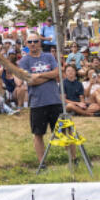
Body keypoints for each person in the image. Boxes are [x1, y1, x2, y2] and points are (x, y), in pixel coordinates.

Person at [18, 33, 62, 167]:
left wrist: (40, 75)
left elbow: (57, 73)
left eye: (35, 41)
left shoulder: (48, 56)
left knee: (66, 131)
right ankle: (42, 163)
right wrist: (48, 77)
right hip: (37, 103)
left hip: (54, 100)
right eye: (30, 41)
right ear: (26, 44)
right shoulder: (24, 61)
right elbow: (29, 81)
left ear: (40, 42)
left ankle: (74, 159)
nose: (32, 44)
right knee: (38, 134)